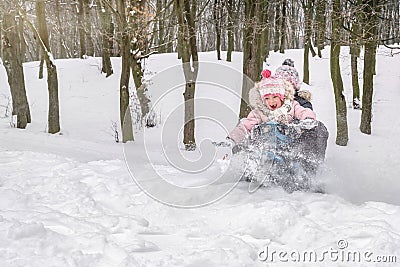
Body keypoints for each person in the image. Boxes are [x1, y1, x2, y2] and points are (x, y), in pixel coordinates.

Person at [228, 69, 328, 171]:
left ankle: (303, 169)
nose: (271, 101)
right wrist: (232, 139)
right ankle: (255, 166)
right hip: (268, 146)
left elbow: (303, 111)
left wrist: (307, 120)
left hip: (290, 145)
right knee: (256, 133)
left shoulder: (291, 105)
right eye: (267, 98)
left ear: (282, 96)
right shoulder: (260, 111)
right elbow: (245, 125)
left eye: (275, 97)